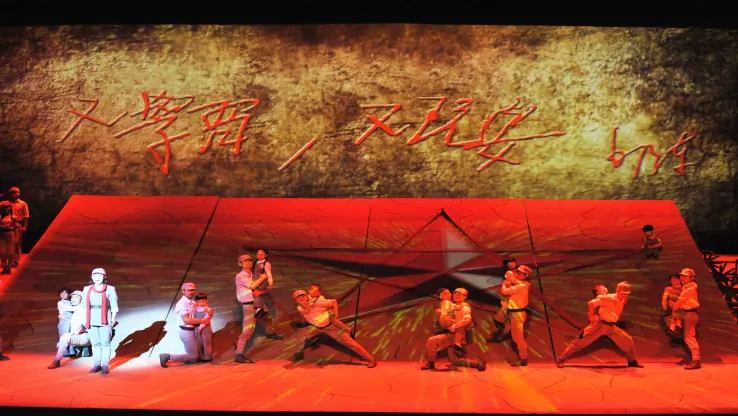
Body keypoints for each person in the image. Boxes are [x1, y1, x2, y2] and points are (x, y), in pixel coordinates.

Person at [556, 281, 642, 368]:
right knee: (580, 343)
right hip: (600, 325)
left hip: (611, 327)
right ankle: (561, 359)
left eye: (627, 294)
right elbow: (591, 303)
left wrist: (622, 286)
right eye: (623, 293)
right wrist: (592, 316)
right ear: (618, 291)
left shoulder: (622, 299)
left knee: (628, 340)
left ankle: (631, 361)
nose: (625, 295)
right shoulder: (609, 299)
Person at [292, 289, 377, 367]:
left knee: (351, 344)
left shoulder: (319, 302)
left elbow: (333, 301)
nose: (301, 298)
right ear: (296, 300)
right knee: (302, 339)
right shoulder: (299, 307)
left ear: (307, 296)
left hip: (330, 327)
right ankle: (299, 355)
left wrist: (335, 313)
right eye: (298, 298)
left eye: (302, 296)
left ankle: (371, 359)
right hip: (317, 328)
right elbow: (306, 310)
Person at [421, 288, 486, 371]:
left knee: (432, 341)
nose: (456, 295)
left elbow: (467, 319)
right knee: (455, 360)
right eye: (455, 293)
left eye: (459, 294)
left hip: (457, 335)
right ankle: (478, 364)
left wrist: (455, 325)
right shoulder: (452, 306)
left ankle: (430, 363)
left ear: (465, 296)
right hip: (452, 334)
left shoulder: (465, 308)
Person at [159, 283, 212, 367]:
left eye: (193, 290)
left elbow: (202, 310)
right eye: (188, 290)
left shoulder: (193, 302)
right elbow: (186, 320)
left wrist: (208, 312)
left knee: (199, 355)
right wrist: (202, 321)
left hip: (193, 330)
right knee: (193, 357)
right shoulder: (181, 304)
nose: (191, 292)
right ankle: (168, 356)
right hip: (186, 331)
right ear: (183, 291)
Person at [234, 254, 270, 364]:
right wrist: (263, 277)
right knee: (247, 331)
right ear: (240, 264)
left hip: (257, 304)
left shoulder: (253, 274)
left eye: (250, 260)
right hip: (249, 306)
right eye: (245, 261)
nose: (248, 262)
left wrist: (261, 291)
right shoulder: (240, 276)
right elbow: (252, 286)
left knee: (265, 320)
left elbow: (263, 288)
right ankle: (239, 354)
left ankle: (271, 333)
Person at [82, 268, 119, 375]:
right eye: (95, 275)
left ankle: (105, 365)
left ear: (104, 277)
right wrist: (84, 319)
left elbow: (114, 306)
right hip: (91, 318)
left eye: (99, 275)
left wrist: (113, 319)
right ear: (91, 277)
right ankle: (97, 364)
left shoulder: (110, 289)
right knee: (95, 343)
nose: (97, 278)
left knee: (105, 343)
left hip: (105, 319)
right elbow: (84, 307)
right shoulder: (86, 289)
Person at [500, 265, 533, 366]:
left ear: (525, 275)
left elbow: (504, 291)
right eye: (517, 271)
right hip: (515, 313)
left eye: (520, 273)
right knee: (516, 337)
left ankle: (523, 358)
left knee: (518, 337)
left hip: (517, 313)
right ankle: (523, 357)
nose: (518, 273)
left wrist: (505, 282)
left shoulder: (521, 286)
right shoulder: (521, 285)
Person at [48, 290, 90, 369]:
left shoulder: (82, 311)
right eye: (72, 297)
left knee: (65, 338)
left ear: (82, 299)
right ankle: (58, 360)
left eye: (76, 297)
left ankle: (57, 360)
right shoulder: (75, 309)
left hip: (85, 337)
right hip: (78, 336)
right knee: (64, 337)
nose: (73, 299)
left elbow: (87, 326)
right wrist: (59, 315)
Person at [251, 248, 282, 340]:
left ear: (266, 255)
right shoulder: (255, 263)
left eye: (262, 254)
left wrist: (270, 282)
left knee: (267, 312)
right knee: (257, 311)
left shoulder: (266, 264)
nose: (259, 255)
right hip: (254, 287)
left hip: (261, 288)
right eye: (258, 254)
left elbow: (269, 274)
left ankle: (270, 332)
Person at [673, 268, 700, 370]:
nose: (682, 278)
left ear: (691, 278)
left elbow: (679, 303)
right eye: (681, 276)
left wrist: (674, 309)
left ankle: (696, 361)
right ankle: (696, 360)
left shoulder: (689, 290)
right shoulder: (687, 288)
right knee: (689, 337)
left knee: (689, 337)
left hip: (690, 315)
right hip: (688, 314)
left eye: (685, 276)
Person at [491, 257, 517, 340]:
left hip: (514, 297)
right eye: (509, 262)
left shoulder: (518, 272)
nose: (512, 263)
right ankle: (504, 332)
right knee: (503, 317)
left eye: (513, 261)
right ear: (506, 265)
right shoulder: (508, 273)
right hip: (508, 297)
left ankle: (504, 333)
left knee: (509, 317)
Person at [7, 187, 29, 268]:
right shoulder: (5, 204)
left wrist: (25, 226)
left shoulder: (22, 204)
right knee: (8, 244)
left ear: (19, 193)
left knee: (17, 243)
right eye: (12, 192)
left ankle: (16, 261)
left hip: (18, 224)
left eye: (15, 192)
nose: (14, 194)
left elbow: (26, 216)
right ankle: (9, 261)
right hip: (7, 225)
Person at [57, 287, 78, 357]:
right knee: (64, 336)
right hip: (64, 321)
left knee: (71, 335)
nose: (63, 295)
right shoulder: (60, 303)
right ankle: (65, 352)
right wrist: (79, 307)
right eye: (61, 293)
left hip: (72, 320)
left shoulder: (71, 302)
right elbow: (69, 308)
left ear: (69, 294)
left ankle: (72, 351)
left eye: (65, 293)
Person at [194, 292, 214, 362]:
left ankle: (207, 357)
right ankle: (201, 357)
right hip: (197, 327)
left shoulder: (209, 310)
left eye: (203, 301)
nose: (201, 303)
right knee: (199, 342)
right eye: (199, 302)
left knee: (206, 343)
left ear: (206, 301)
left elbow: (205, 320)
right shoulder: (197, 309)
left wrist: (200, 328)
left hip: (205, 328)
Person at [0, 202, 18, 275]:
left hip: (10, 234)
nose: (7, 208)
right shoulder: (0, 217)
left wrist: (17, 236)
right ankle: (4, 267)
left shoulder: (13, 217)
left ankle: (9, 267)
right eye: (5, 207)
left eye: (8, 207)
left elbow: (16, 227)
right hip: (2, 234)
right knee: (2, 252)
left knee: (10, 252)